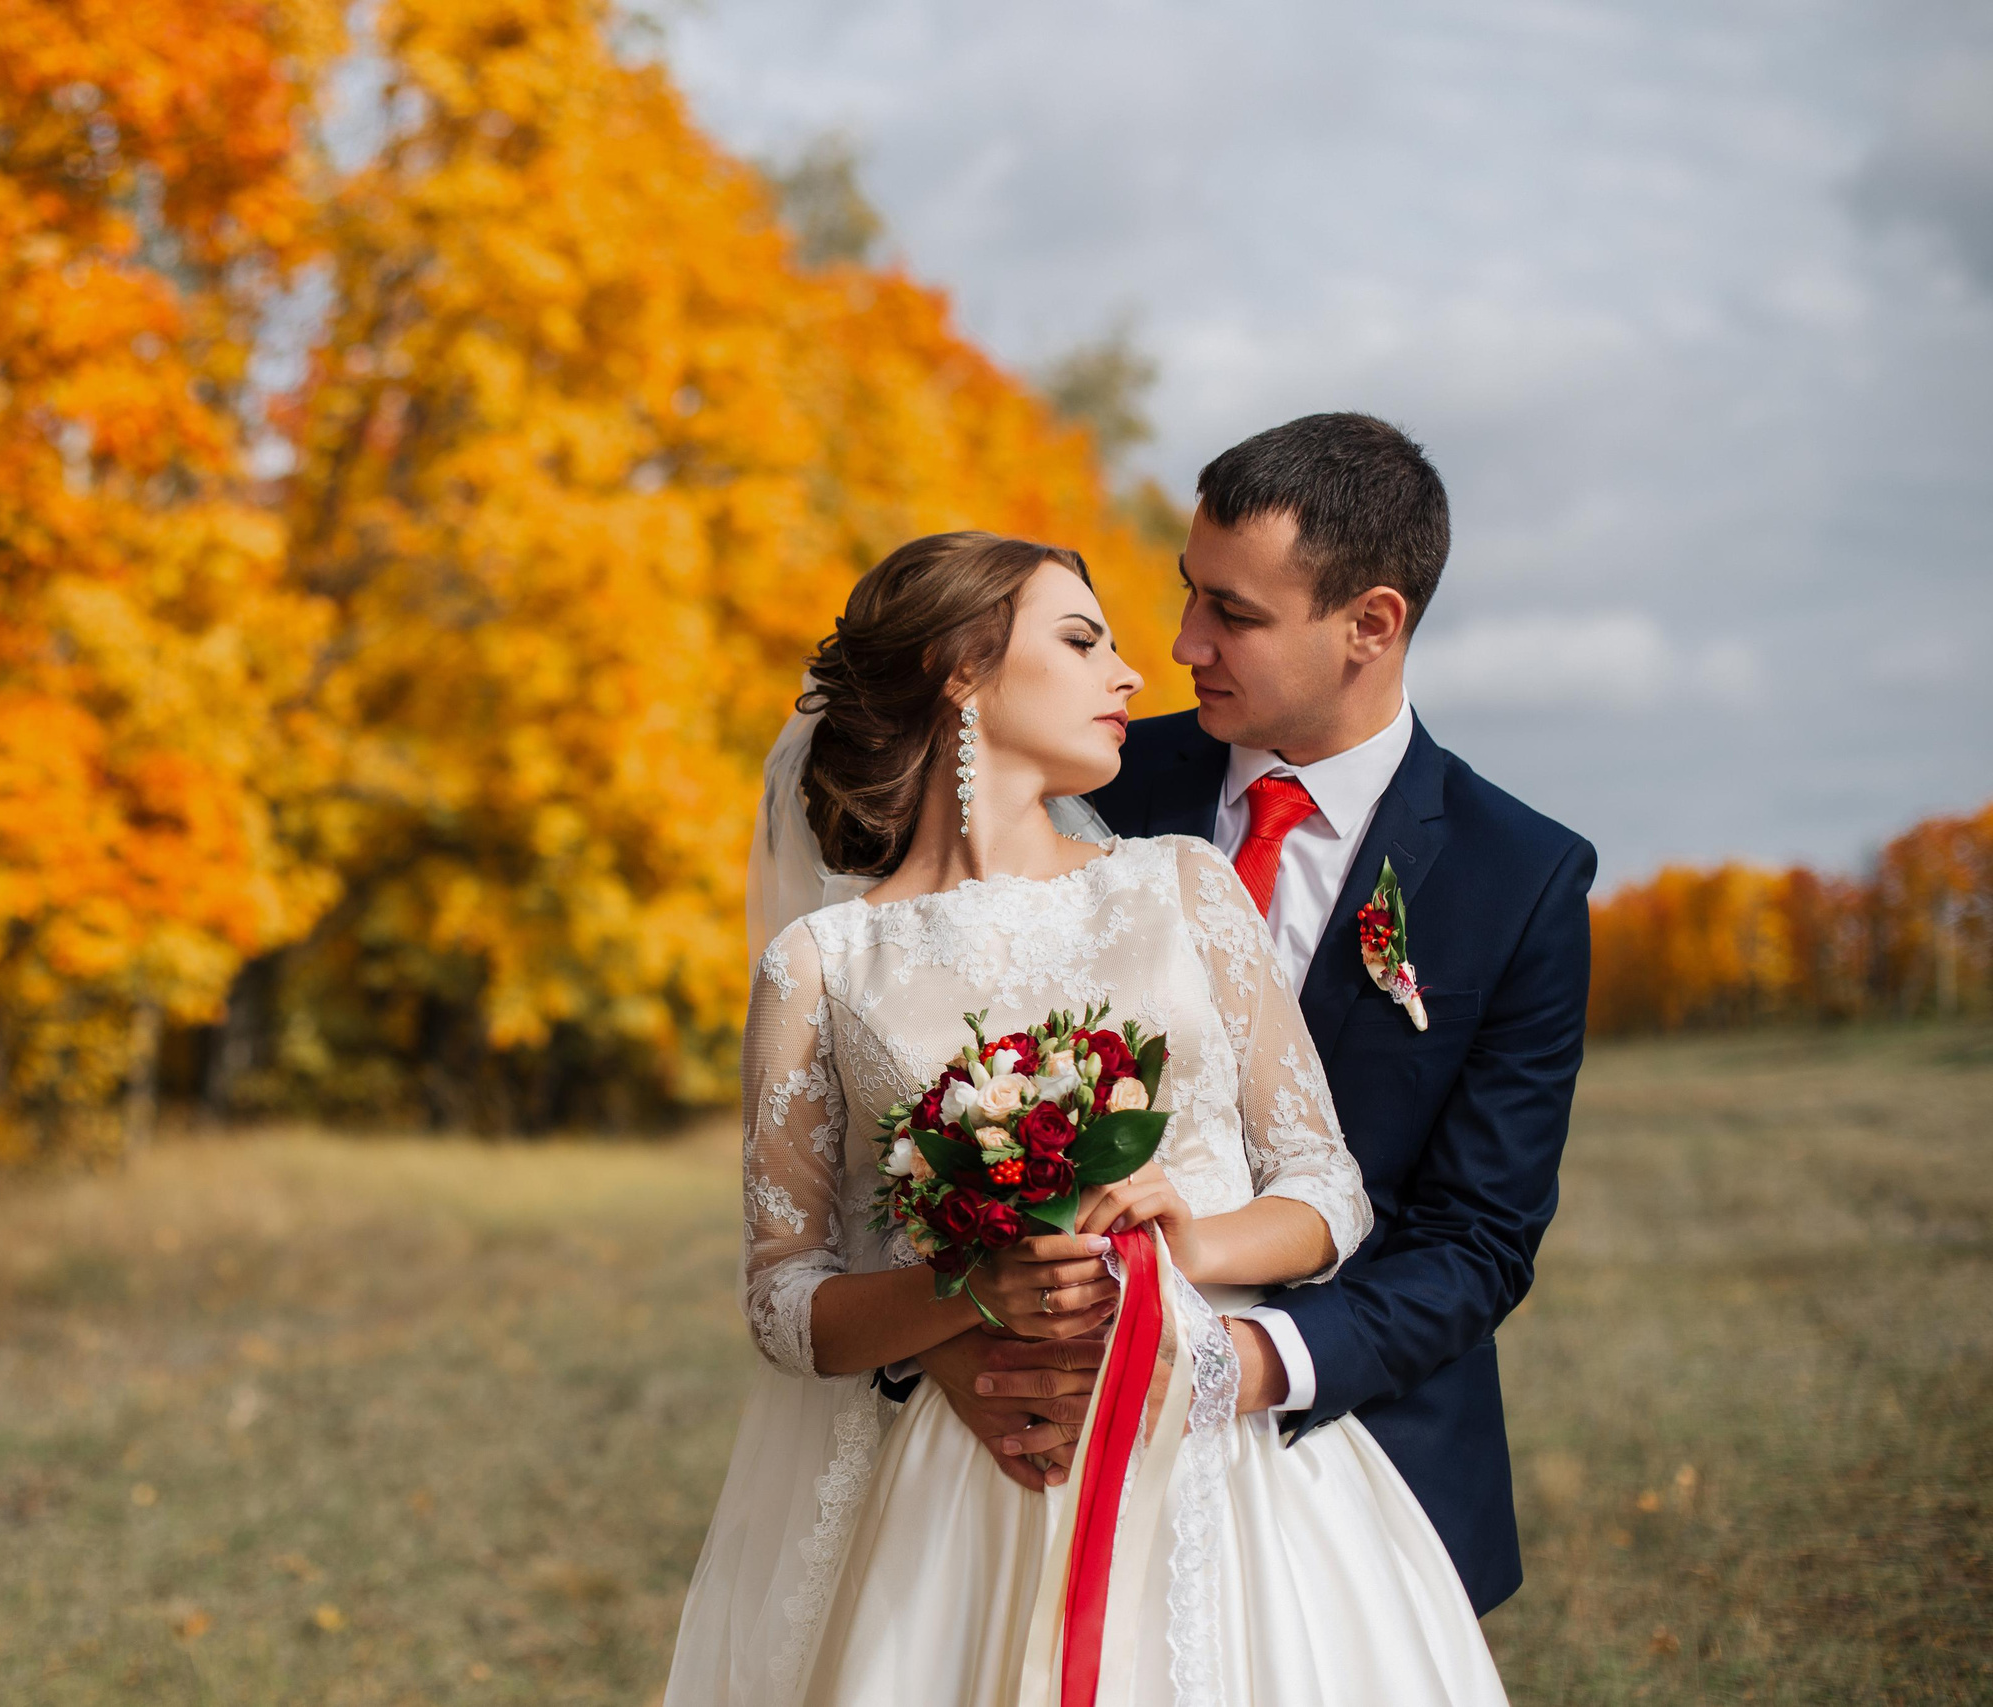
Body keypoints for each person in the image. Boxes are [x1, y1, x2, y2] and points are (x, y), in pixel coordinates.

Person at [664, 528, 1510, 1706]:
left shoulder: (1179, 886)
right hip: (971, 1485)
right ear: (959, 670)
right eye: (1082, 641)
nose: (1130, 673)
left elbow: (1328, 1187)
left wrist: (1196, 1243)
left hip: (1218, 1451)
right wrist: (963, 1295)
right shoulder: (823, 963)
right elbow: (783, 1295)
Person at [916, 413, 1596, 1621]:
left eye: (1233, 614)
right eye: (1188, 595)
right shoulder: (1085, 786)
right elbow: (925, 1098)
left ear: (1370, 626)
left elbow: (1477, 1238)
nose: (1180, 644)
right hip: (1049, 1458)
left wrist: (1240, 1365)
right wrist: (963, 1351)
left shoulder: (1519, 877)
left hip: (1366, 1473)